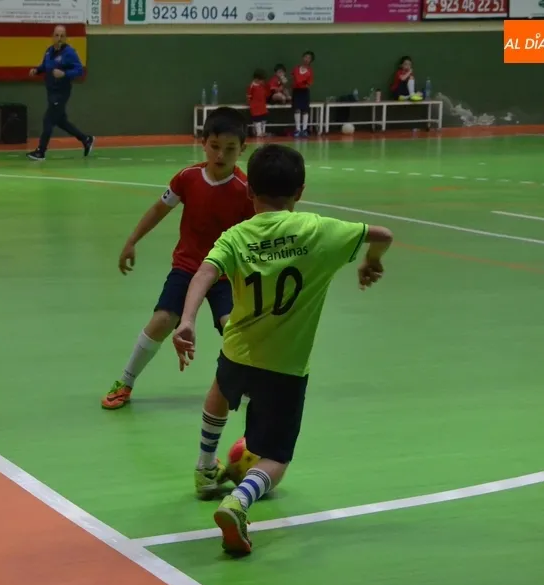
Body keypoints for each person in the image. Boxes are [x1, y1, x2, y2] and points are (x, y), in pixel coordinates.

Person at [172, 144, 393, 555]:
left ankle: (205, 468)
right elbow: (382, 235)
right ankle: (238, 500)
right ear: (300, 191)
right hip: (286, 367)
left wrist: (187, 320)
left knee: (219, 391)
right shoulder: (318, 230)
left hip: (238, 351)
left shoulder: (237, 235)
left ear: (249, 191)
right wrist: (371, 261)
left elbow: (204, 272)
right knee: (275, 457)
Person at [100, 106, 255, 410]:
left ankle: (251, 382)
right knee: (162, 320)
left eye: (230, 149)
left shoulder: (245, 190)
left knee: (232, 328)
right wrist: (132, 241)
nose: (220, 155)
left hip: (225, 273)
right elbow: (159, 209)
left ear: (242, 149)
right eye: (215, 146)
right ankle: (126, 381)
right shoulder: (187, 178)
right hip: (187, 267)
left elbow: (256, 234)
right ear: (203, 143)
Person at [26, 25, 94, 162]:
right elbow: (45, 66)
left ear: (66, 38)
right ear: (52, 37)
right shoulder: (49, 51)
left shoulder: (69, 53)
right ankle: (86, 139)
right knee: (61, 121)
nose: (59, 38)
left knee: (48, 120)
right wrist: (37, 70)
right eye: (57, 35)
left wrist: (64, 74)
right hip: (51, 91)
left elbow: (79, 70)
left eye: (62, 36)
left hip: (61, 93)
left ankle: (41, 151)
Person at [291, 51, 315, 138]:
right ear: (302, 58)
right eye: (305, 57)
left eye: (309, 58)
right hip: (296, 91)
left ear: (311, 61)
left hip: (304, 92)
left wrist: (301, 83)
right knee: (297, 109)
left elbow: (308, 83)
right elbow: (293, 79)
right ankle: (297, 129)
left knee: (305, 110)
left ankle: (304, 130)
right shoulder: (296, 69)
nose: (306, 59)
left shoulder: (310, 71)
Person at [246, 69, 269, 138]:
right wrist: (250, 104)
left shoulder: (262, 86)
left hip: (262, 106)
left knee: (263, 120)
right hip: (255, 107)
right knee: (257, 120)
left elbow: (266, 94)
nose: (262, 82)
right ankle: (259, 133)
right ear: (256, 79)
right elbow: (249, 96)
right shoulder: (251, 86)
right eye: (261, 80)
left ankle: (263, 132)